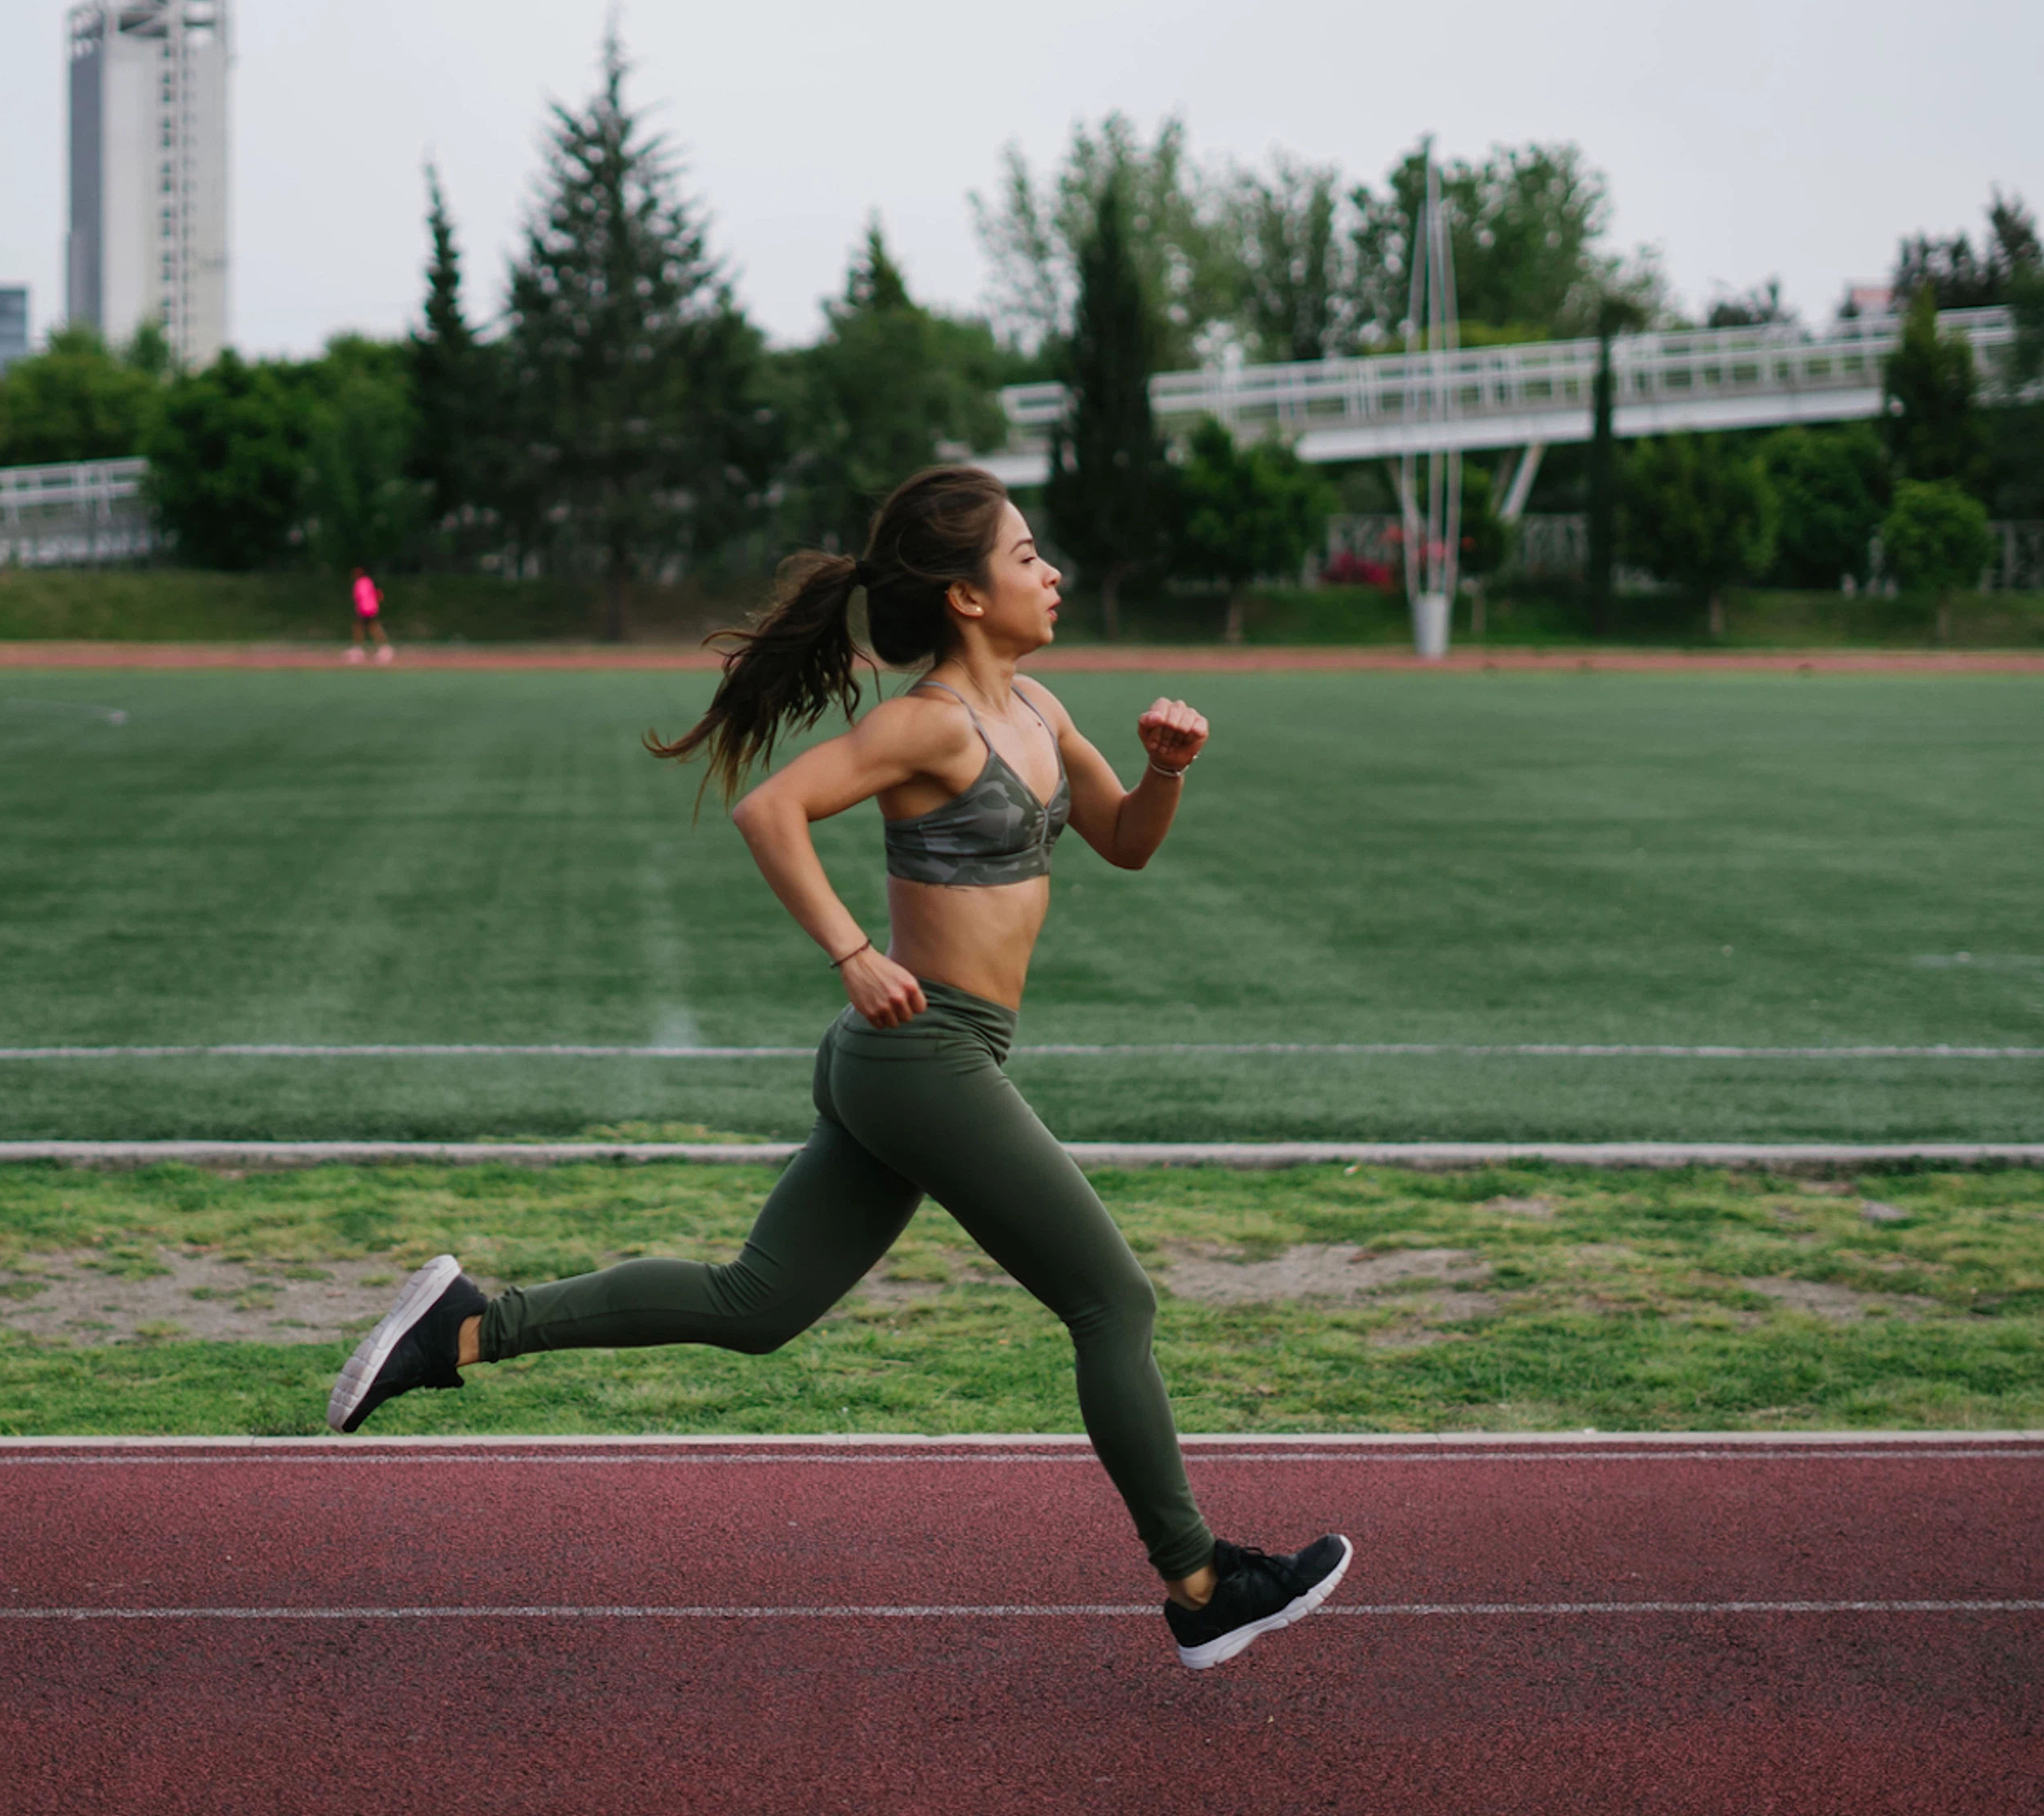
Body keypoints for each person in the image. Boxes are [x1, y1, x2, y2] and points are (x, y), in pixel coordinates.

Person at [328, 465, 1352, 1671]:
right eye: (1028, 556)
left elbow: (1124, 841)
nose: (1052, 572)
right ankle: (1196, 1581)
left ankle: (462, 1329)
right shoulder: (928, 724)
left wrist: (1168, 767)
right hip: (922, 1053)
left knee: (757, 1306)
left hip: (920, 1060)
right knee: (1112, 1301)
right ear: (967, 597)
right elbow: (774, 812)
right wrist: (855, 951)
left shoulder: (1041, 710)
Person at [347, 568, 392, 663]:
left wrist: (362, 608)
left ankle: (358, 649)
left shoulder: (360, 583)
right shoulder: (369, 581)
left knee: (360, 627)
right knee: (372, 627)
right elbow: (378, 594)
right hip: (372, 608)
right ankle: (384, 648)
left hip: (365, 609)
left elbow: (360, 597)